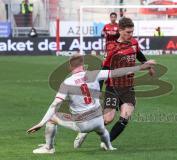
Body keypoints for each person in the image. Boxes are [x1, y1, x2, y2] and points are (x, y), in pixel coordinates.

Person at [27, 54, 156, 154]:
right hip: (98, 120)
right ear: (83, 65)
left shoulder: (67, 83)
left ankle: (49, 147)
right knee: (102, 131)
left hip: (82, 124)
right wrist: (141, 66)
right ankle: (109, 146)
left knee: (52, 119)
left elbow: (55, 105)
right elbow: (118, 72)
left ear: (70, 67)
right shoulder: (94, 74)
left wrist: (40, 123)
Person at [74, 17, 155, 148]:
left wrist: (148, 66)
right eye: (128, 32)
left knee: (125, 118)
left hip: (128, 87)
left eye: (132, 32)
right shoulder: (112, 47)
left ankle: (106, 143)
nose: (131, 35)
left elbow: (139, 54)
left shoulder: (134, 43)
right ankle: (84, 131)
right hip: (113, 86)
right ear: (120, 30)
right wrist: (98, 90)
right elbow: (104, 70)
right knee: (108, 119)